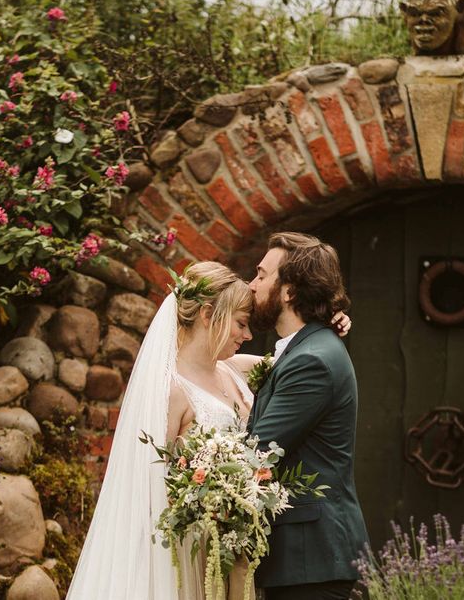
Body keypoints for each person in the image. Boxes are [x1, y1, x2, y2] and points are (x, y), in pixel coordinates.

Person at [66, 260, 351, 600]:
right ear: (206, 314)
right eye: (241, 324)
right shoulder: (170, 392)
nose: (247, 336)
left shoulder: (237, 370)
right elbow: (148, 488)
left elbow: (304, 357)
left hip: (232, 552)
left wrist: (326, 325)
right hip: (191, 553)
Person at [247, 232, 368, 600]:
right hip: (304, 562)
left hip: (312, 563)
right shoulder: (303, 349)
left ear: (289, 291)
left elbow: (257, 450)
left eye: (262, 275)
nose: (252, 285)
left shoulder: (311, 360)